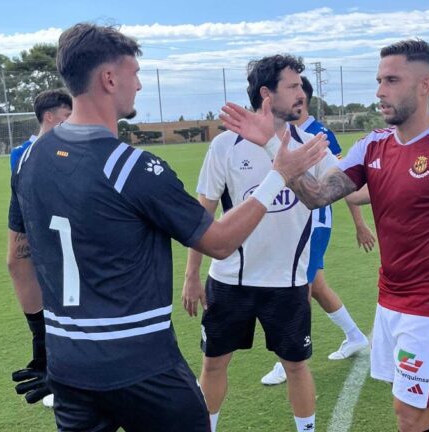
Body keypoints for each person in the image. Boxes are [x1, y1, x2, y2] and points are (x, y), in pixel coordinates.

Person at [8, 24, 328, 432]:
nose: (139, 85)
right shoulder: (133, 168)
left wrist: (42, 343)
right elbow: (220, 242)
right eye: (135, 74)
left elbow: (18, 262)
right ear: (109, 79)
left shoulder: (28, 160)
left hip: (68, 364)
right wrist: (278, 175)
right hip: (142, 365)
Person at [219, 39, 429, 432]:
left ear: (425, 85)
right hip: (390, 300)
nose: (379, 91)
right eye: (378, 80)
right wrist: (271, 142)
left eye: (391, 80)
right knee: (425, 408)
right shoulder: (374, 144)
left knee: (410, 415)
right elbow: (319, 196)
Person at [181, 54, 334, 432]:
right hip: (230, 279)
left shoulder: (311, 145)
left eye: (301, 85)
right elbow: (203, 215)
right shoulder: (225, 146)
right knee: (213, 362)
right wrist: (191, 275)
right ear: (267, 93)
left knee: (296, 365)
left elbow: (335, 189)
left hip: (288, 282)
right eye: (294, 86)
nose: (303, 92)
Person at [259, 76, 374, 387]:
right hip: (290, 224)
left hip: (314, 222)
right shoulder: (275, 132)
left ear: (302, 98)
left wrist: (360, 223)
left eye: (296, 90)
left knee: (300, 287)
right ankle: (354, 336)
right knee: (317, 285)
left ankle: (288, 358)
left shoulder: (318, 133)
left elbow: (341, 182)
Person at [7, 88, 72, 409]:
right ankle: (47, 359)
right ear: (49, 116)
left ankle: (63, 373)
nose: (71, 121)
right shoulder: (22, 154)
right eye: (66, 116)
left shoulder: (71, 148)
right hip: (39, 236)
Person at [9, 89, 73, 171]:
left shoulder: (71, 150)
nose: (72, 120)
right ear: (49, 117)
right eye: (68, 115)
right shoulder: (21, 152)